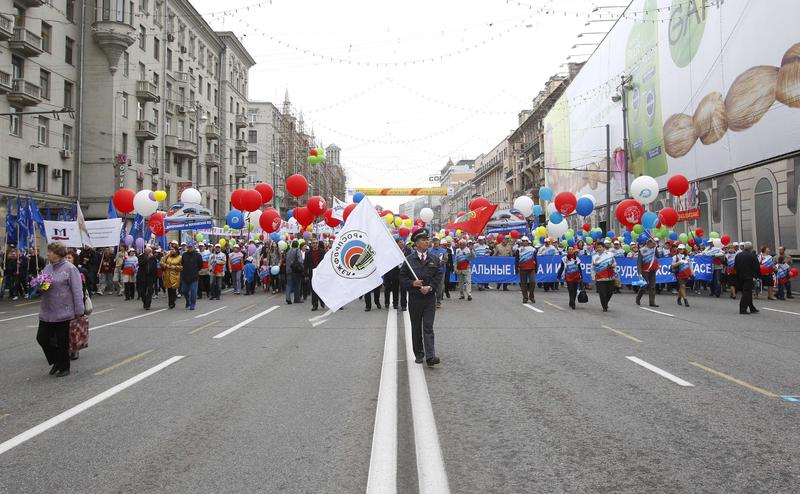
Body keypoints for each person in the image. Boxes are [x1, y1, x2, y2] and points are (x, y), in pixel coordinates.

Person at [36, 242, 85, 377]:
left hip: (64, 311)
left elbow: (77, 290)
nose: (47, 254)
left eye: (50, 252)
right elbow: (43, 286)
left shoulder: (70, 269)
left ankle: (64, 367)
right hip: (47, 310)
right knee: (42, 338)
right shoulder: (47, 268)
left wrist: (79, 310)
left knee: (62, 342)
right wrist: (39, 286)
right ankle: (56, 360)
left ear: (57, 254)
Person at [399, 229, 441, 367]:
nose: (427, 242)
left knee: (428, 326)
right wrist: (413, 283)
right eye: (423, 240)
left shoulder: (434, 259)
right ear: (416, 243)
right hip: (415, 299)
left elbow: (438, 276)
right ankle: (419, 354)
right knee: (416, 327)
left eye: (427, 239)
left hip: (429, 298)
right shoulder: (409, 260)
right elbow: (402, 278)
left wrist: (430, 287)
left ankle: (430, 356)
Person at [735, 242, 760, 315]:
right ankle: (742, 309)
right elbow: (756, 267)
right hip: (748, 276)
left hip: (740, 276)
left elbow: (736, 266)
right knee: (746, 292)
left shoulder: (738, 255)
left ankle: (752, 308)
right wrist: (755, 276)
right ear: (751, 248)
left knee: (747, 292)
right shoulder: (752, 256)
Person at [591, 241, 617, 312]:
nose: (599, 249)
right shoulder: (594, 257)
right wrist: (593, 277)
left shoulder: (610, 254)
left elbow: (615, 264)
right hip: (600, 278)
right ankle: (604, 307)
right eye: (597, 247)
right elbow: (592, 268)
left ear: (603, 248)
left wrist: (612, 266)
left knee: (610, 292)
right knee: (602, 293)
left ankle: (605, 302)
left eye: (600, 247)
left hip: (610, 277)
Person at [636, 237, 660, 307]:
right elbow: (639, 262)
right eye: (653, 243)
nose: (654, 244)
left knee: (652, 287)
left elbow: (658, 256)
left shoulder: (654, 249)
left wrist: (656, 248)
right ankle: (638, 297)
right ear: (649, 243)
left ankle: (652, 302)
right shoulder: (642, 250)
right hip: (644, 270)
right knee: (644, 286)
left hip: (653, 270)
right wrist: (639, 271)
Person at [304, 238, 326, 310]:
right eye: (314, 243)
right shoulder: (308, 253)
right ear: (311, 244)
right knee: (313, 289)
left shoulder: (322, 252)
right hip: (312, 273)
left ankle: (322, 301)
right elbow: (305, 264)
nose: (315, 244)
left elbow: (325, 263)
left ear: (318, 244)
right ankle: (314, 305)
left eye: (316, 243)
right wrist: (305, 274)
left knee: (321, 288)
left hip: (321, 273)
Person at [180, 242, 203, 310]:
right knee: (184, 290)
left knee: (193, 291)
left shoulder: (198, 255)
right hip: (185, 276)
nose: (190, 248)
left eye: (191, 247)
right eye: (189, 247)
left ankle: (192, 304)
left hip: (194, 277)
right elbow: (182, 263)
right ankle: (188, 300)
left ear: (193, 247)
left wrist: (195, 270)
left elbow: (200, 265)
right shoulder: (184, 255)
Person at [515, 236, 537, 304]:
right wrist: (516, 268)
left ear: (528, 242)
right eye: (523, 241)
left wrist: (536, 267)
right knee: (523, 284)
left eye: (525, 241)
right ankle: (525, 298)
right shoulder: (518, 250)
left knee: (532, 282)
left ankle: (531, 296)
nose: (524, 242)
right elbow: (516, 260)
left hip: (531, 268)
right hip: (522, 268)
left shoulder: (533, 249)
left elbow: (535, 259)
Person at [427, 236, 448, 308]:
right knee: (431, 285)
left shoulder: (444, 251)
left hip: (441, 271)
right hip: (431, 271)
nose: (435, 242)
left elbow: (445, 260)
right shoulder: (429, 250)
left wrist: (439, 263)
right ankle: (432, 301)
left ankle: (438, 301)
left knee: (439, 287)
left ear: (439, 242)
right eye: (434, 241)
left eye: (437, 240)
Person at [162, 241, 183, 309]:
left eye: (173, 249)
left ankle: (173, 302)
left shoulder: (180, 257)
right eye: (171, 249)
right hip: (167, 275)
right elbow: (162, 263)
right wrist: (166, 265)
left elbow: (182, 267)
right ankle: (170, 303)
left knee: (173, 290)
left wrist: (175, 267)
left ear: (176, 250)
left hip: (175, 275)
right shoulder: (167, 256)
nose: (172, 251)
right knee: (169, 289)